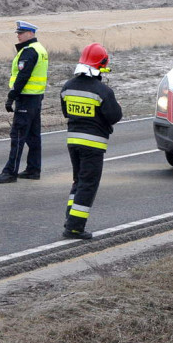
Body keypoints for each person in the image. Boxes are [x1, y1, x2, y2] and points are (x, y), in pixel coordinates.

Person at [59, 43, 123, 239]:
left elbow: (65, 112)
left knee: (78, 181)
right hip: (93, 145)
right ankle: (75, 227)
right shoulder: (103, 91)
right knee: (88, 184)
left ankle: (70, 218)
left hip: (73, 142)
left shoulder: (67, 87)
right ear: (100, 65)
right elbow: (115, 116)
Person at [0, 21, 49, 183]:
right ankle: (33, 169)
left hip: (26, 98)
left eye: (21, 33)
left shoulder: (29, 51)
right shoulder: (40, 49)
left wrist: (12, 96)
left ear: (30, 34)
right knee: (33, 136)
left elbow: (23, 76)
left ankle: (10, 172)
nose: (18, 35)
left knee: (17, 136)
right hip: (36, 97)